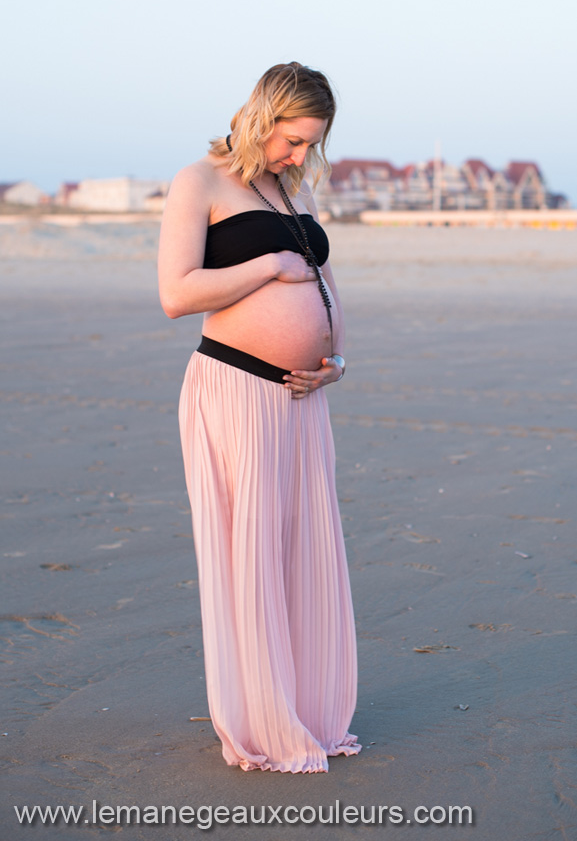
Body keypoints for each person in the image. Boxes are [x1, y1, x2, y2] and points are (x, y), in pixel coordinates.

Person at [157, 62, 360, 773]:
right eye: (295, 140)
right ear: (264, 115)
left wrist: (338, 360)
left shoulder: (286, 187)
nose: (301, 156)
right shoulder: (200, 181)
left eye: (312, 144)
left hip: (302, 398)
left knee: (302, 552)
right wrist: (268, 265)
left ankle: (304, 708)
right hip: (235, 390)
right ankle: (259, 718)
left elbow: (327, 285)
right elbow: (177, 294)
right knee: (251, 558)